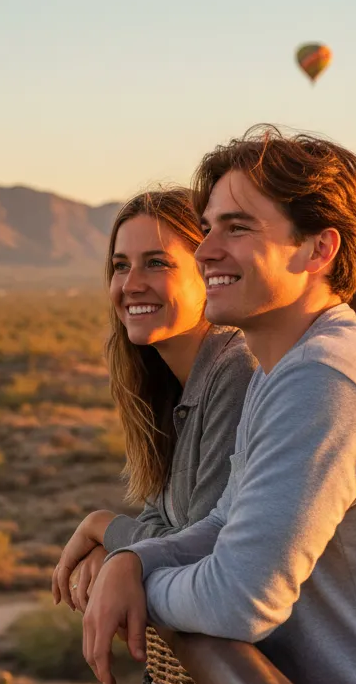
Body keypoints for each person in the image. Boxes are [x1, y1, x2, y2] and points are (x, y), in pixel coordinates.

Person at [83, 126, 356, 684]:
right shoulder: (284, 368)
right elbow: (226, 521)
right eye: (208, 228)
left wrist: (136, 591)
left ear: (317, 250)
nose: (205, 251)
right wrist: (134, 562)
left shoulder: (327, 380)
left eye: (238, 227)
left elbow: (241, 599)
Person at [51, 188, 257, 611]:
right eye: (120, 266)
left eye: (157, 263)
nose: (131, 285)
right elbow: (157, 524)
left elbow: (200, 551)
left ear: (207, 273)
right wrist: (119, 546)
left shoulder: (237, 371)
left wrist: (103, 529)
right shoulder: (173, 385)